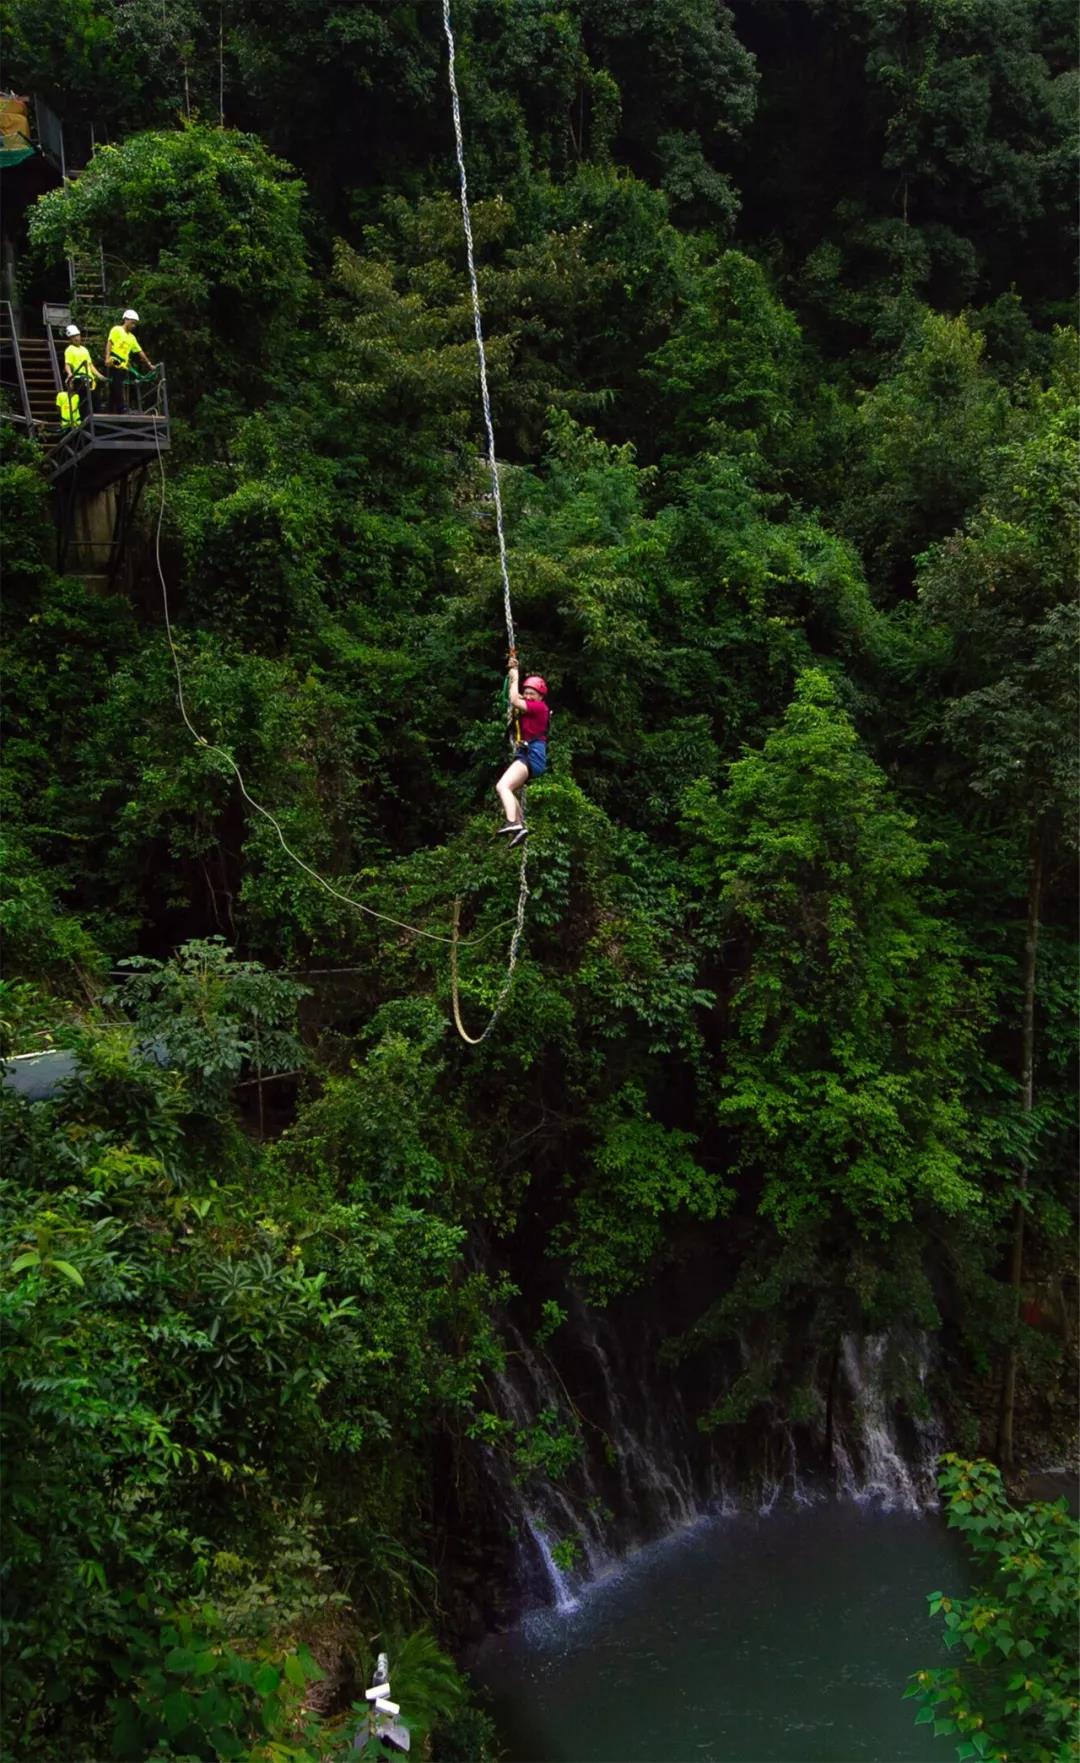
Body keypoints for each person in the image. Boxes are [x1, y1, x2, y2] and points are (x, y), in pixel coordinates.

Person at [495, 658, 550, 847]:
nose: (528, 696)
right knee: (508, 788)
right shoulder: (530, 708)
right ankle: (520, 826)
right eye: (526, 693)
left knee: (503, 786)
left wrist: (515, 674)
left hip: (531, 755)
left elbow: (513, 699)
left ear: (540, 696)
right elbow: (513, 698)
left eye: (532, 693)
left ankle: (513, 823)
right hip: (528, 754)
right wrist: (513, 677)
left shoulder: (539, 708)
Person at [105, 308, 154, 412]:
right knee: (117, 385)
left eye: (135, 324)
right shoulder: (117, 330)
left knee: (121, 386)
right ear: (126, 320)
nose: (133, 326)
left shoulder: (132, 337)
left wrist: (149, 364)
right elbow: (110, 343)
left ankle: (112, 409)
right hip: (115, 361)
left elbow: (140, 352)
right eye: (132, 323)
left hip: (124, 365)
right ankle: (121, 408)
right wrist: (107, 358)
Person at [63, 323, 104, 420]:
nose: (77, 338)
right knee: (84, 401)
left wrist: (99, 376)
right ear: (70, 339)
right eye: (74, 337)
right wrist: (70, 374)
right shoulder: (69, 350)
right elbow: (67, 364)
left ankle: (98, 422)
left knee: (96, 401)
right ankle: (84, 421)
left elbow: (90, 365)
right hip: (79, 379)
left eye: (77, 335)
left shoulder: (85, 350)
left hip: (90, 379)